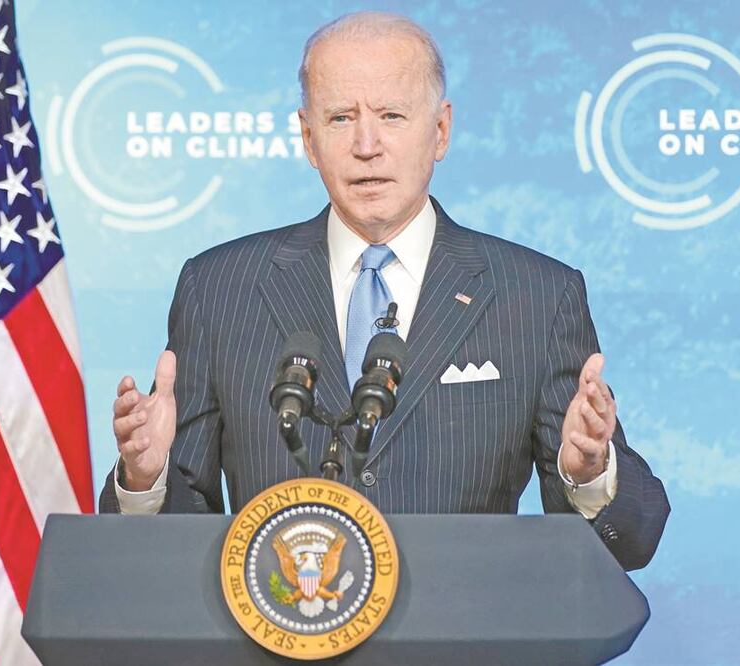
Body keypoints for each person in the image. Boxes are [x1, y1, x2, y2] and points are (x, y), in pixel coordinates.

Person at [98, 11, 669, 570]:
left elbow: (633, 542)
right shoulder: (220, 288)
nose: (366, 144)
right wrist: (146, 480)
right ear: (308, 137)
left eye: (392, 115)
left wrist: (590, 474)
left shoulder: (536, 297)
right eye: (341, 118)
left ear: (440, 130)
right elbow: (171, 544)